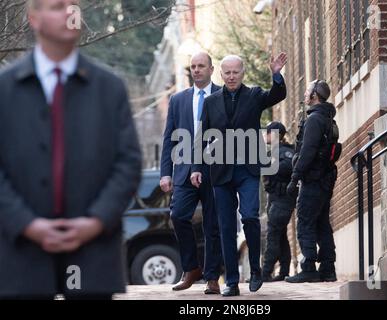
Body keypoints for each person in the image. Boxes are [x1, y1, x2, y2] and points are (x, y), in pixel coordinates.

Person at [0, 0, 142, 299]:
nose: (69, 12)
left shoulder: (109, 88)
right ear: (34, 19)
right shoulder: (6, 89)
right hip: (21, 252)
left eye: (73, 5)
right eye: (57, 6)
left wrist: (96, 220)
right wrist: (27, 224)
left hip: (92, 251)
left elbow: (128, 162)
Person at [191, 53, 288, 296]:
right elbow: (201, 136)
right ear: (220, 74)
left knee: (250, 217)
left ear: (242, 73)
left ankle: (255, 269)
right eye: (227, 72)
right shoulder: (211, 102)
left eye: (236, 72)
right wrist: (195, 167)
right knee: (225, 226)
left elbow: (278, 95)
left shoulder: (254, 95)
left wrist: (276, 75)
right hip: (221, 172)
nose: (232, 76)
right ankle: (231, 282)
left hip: (247, 170)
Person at [160, 52, 222, 294]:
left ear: (211, 69)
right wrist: (166, 173)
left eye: (201, 66)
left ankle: (212, 276)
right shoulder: (178, 100)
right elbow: (169, 139)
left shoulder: (222, 95)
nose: (196, 70)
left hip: (215, 170)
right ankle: (191, 268)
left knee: (212, 224)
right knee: (178, 215)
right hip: (184, 170)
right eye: (193, 67)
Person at [285, 79, 339, 283]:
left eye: (307, 91)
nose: (305, 95)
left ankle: (308, 267)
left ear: (315, 95)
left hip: (313, 180)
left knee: (306, 222)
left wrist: (294, 178)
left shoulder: (315, 119)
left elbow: (307, 152)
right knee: (322, 224)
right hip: (324, 179)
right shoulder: (327, 118)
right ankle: (328, 268)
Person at [261, 121, 296, 282]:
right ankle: (283, 271)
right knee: (280, 235)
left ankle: (265, 272)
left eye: (267, 132)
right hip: (275, 199)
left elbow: (288, 167)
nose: (265, 135)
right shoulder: (274, 152)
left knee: (273, 235)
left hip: (283, 199)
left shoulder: (285, 152)